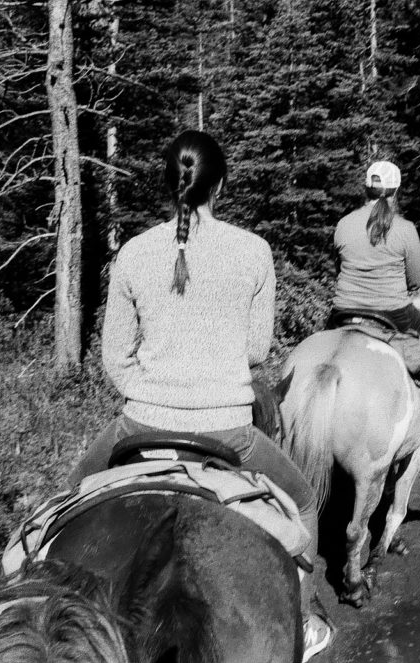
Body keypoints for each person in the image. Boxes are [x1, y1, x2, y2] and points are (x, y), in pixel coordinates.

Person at [68, 130, 333, 662]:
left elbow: (114, 357)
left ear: (170, 185)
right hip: (230, 430)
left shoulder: (134, 254)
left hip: (138, 425)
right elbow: (257, 348)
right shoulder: (253, 251)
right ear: (222, 185)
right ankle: (303, 618)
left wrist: (151, 393)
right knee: (303, 501)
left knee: (68, 503)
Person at [331, 160, 420, 453]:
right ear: (396, 191)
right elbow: (418, 279)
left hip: (342, 310)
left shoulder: (344, 224)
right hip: (393, 312)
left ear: (365, 189)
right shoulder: (405, 228)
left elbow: (339, 267)